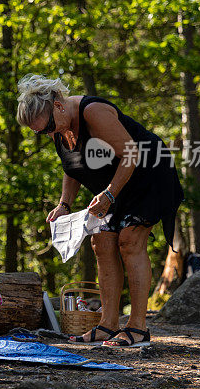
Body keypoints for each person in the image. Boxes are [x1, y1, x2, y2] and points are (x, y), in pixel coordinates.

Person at [16, 75, 184, 348]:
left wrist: (109, 194)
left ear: (58, 106)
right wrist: (64, 204)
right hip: (114, 183)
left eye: (47, 126)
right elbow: (73, 166)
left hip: (148, 173)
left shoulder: (93, 112)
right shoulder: (58, 128)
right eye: (40, 132)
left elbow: (132, 153)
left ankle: (138, 328)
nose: (48, 134)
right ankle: (107, 324)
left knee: (129, 240)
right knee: (102, 243)